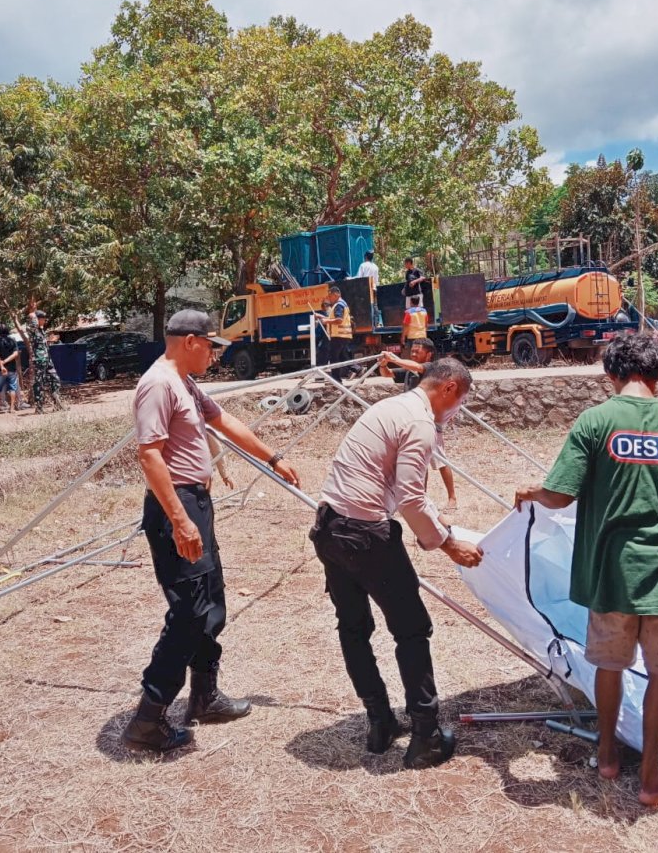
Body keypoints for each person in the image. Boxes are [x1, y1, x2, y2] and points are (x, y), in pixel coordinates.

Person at [515, 334, 658, 807]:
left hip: (610, 572)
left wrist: (533, 490)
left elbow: (560, 494)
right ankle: (652, 779)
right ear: (657, 376)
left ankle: (607, 755)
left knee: (609, 664)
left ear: (611, 374)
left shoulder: (595, 421)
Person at [123, 309, 301, 754]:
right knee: (188, 613)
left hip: (196, 504)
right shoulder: (158, 384)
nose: (214, 356)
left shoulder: (187, 383)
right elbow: (149, 457)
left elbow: (225, 423)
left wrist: (273, 458)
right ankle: (148, 718)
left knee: (211, 602)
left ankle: (204, 696)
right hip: (176, 507)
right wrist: (180, 520)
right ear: (189, 341)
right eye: (210, 347)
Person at [310, 359, 483, 770]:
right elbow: (408, 498)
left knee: (354, 628)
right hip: (366, 535)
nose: (455, 411)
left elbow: (396, 487)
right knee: (411, 629)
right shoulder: (420, 422)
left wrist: (433, 518)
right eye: (459, 401)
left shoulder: (390, 408)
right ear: (449, 388)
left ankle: (380, 721)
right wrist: (447, 545)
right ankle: (425, 736)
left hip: (330, 528)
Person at [379, 342, 458, 511]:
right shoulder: (409, 370)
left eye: (417, 351)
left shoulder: (432, 368)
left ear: (428, 354)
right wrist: (384, 364)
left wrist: (395, 358)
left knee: (440, 461)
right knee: (418, 460)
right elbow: (387, 374)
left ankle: (452, 498)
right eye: (412, 351)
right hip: (412, 422)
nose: (413, 354)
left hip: (430, 421)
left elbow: (417, 367)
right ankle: (421, 495)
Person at [25, 308, 65, 413]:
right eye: (42, 318)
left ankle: (58, 404)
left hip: (47, 359)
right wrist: (34, 314)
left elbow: (41, 344)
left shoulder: (41, 330)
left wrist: (50, 341)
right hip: (39, 359)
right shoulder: (32, 329)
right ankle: (39, 408)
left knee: (55, 379)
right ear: (37, 319)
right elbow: (31, 316)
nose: (44, 320)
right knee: (39, 383)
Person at [316, 285, 354, 382]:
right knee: (341, 356)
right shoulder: (341, 304)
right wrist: (322, 317)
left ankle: (336, 379)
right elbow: (334, 318)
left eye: (330, 296)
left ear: (336, 294)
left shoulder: (339, 305)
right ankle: (356, 368)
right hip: (342, 335)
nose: (329, 299)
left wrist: (326, 322)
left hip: (339, 335)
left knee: (334, 357)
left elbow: (339, 320)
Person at [0, 323, 19, 413]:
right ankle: (12, 408)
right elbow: (16, 354)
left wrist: (1, 365)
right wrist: (6, 361)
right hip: (12, 369)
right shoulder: (12, 340)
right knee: (12, 388)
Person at [357, 250, 383, 329]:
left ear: (365, 257)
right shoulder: (376, 267)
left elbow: (359, 278)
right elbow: (376, 279)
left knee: (365, 306)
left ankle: (367, 323)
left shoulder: (363, 265)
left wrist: (348, 278)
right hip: (374, 288)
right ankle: (378, 323)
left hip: (365, 289)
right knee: (374, 305)